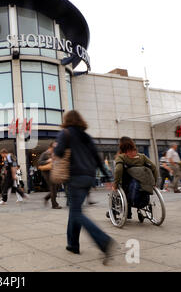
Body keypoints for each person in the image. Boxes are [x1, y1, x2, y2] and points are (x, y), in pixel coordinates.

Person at [54, 110, 115, 265]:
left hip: (75, 177)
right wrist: (107, 177)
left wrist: (56, 147)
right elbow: (97, 158)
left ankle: (103, 240)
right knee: (75, 211)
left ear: (67, 120)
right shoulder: (87, 137)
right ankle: (72, 244)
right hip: (89, 177)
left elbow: (59, 152)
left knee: (76, 212)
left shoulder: (65, 133)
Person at [112, 136, 158, 220]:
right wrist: (154, 182)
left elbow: (118, 170)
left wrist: (115, 184)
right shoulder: (142, 157)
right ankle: (135, 211)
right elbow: (154, 167)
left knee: (118, 191)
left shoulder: (121, 157)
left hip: (126, 185)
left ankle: (119, 212)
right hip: (143, 185)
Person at [38, 142, 61, 209]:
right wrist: (48, 161)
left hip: (53, 172)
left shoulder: (54, 154)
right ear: (50, 147)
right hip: (46, 173)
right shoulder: (45, 153)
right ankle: (54, 204)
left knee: (57, 186)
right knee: (53, 187)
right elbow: (39, 162)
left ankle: (47, 197)